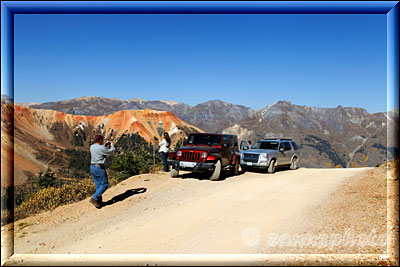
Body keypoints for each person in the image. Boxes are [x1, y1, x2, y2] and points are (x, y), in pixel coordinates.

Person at [89, 134, 115, 209]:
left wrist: (104, 146)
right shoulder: (101, 148)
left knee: (98, 184)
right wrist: (112, 145)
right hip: (99, 167)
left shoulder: (92, 147)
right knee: (104, 184)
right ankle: (94, 198)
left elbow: (100, 150)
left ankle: (98, 201)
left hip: (92, 166)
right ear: (100, 140)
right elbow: (111, 152)